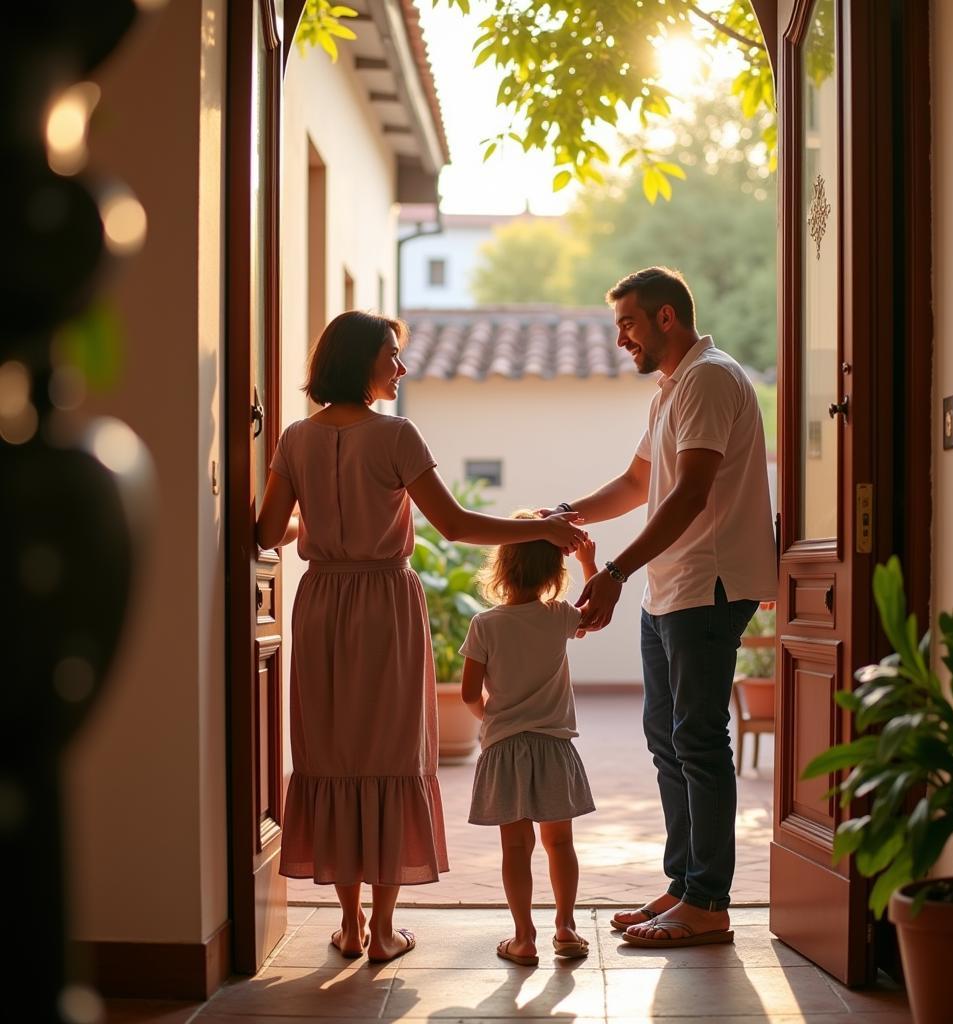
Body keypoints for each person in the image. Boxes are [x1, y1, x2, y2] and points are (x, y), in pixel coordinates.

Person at [255, 311, 584, 964]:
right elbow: (457, 526)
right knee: (390, 752)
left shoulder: (293, 439)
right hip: (384, 605)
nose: (400, 368)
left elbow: (267, 534)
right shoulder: (398, 436)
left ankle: (347, 925)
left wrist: (313, 529)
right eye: (392, 356)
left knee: (332, 753)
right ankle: (381, 930)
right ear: (361, 362)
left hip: (320, 603)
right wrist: (540, 530)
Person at [541, 266, 776, 948]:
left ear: (667, 317)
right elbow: (639, 481)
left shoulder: (708, 379)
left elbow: (691, 494)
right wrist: (563, 515)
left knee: (698, 741)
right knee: (668, 738)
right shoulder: (673, 389)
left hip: (708, 586)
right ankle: (683, 886)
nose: (621, 341)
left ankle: (709, 900)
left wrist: (614, 569)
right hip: (670, 588)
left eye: (629, 325)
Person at [459, 513, 597, 966]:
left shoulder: (485, 624)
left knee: (515, 848)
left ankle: (523, 937)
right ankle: (566, 927)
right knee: (560, 844)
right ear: (552, 573)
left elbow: (467, 693)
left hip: (504, 750)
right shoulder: (558, 616)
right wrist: (590, 564)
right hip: (554, 747)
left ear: (501, 567)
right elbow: (594, 618)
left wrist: (491, 719)